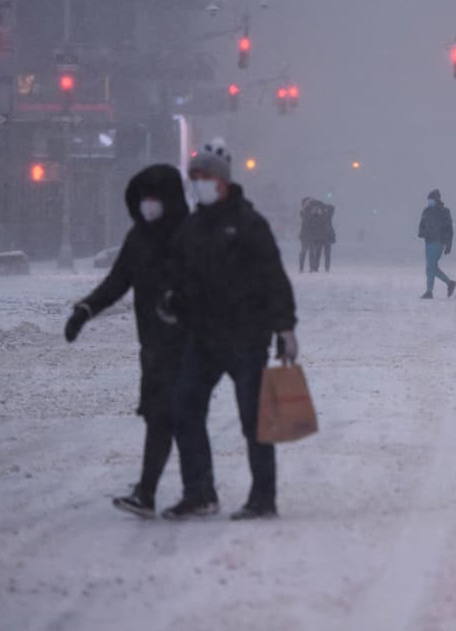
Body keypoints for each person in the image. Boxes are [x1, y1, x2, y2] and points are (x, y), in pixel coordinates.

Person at [160, 139, 298, 521]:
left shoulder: (249, 224)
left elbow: (274, 278)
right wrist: (171, 299)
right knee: (185, 409)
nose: (197, 184)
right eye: (194, 177)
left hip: (246, 339)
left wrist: (285, 329)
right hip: (202, 339)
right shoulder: (191, 228)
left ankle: (262, 497)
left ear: (221, 181)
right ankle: (199, 492)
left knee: (253, 419)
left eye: (203, 177)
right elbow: (176, 274)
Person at [64, 164, 189, 519]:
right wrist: (86, 310)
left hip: (186, 344)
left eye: (155, 198)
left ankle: (155, 492)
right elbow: (117, 281)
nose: (149, 205)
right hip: (151, 345)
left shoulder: (189, 235)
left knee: (171, 417)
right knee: (163, 417)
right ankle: (187, 490)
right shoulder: (139, 238)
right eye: (144, 198)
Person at [418, 189, 456, 299]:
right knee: (431, 267)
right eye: (428, 200)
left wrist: (448, 244)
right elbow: (421, 225)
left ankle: (429, 291)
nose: (429, 201)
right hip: (428, 242)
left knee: (430, 267)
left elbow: (449, 230)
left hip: (438, 242)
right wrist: (422, 233)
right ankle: (449, 283)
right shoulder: (426, 211)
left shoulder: (444, 212)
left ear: (436, 199)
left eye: (431, 199)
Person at [310, 200, 336, 273]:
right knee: (318, 254)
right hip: (319, 237)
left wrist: (323, 206)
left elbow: (332, 208)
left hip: (327, 237)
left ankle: (327, 268)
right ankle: (316, 268)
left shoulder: (328, 214)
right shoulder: (315, 215)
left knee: (327, 254)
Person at [297, 197, 315, 273]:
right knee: (304, 251)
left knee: (311, 252)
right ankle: (302, 268)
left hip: (311, 234)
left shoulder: (312, 212)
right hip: (305, 235)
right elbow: (307, 220)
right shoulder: (304, 212)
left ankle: (310, 268)